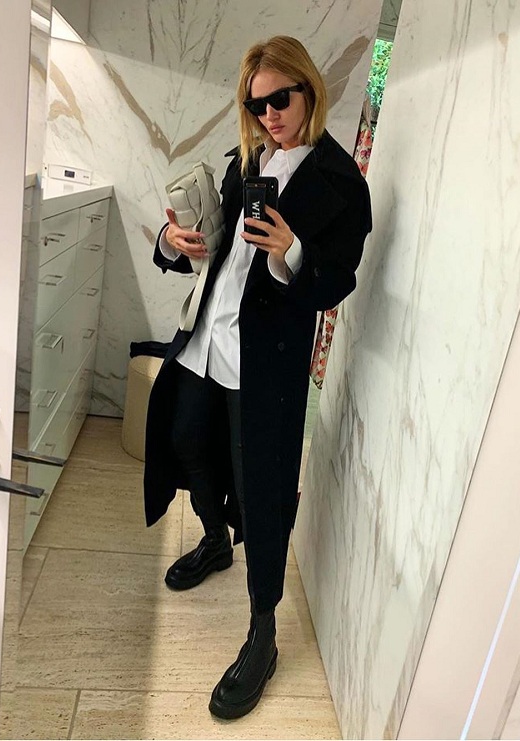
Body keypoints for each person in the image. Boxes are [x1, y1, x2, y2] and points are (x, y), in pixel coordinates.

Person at [144, 35, 372, 720]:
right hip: (206, 338)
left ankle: (263, 631)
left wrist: (293, 251)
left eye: (280, 99)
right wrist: (173, 242)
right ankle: (216, 539)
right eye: (256, 104)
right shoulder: (248, 159)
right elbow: (214, 250)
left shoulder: (340, 182)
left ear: (309, 90)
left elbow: (336, 282)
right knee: (185, 439)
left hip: (265, 362)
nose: (269, 115)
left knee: (263, 492)